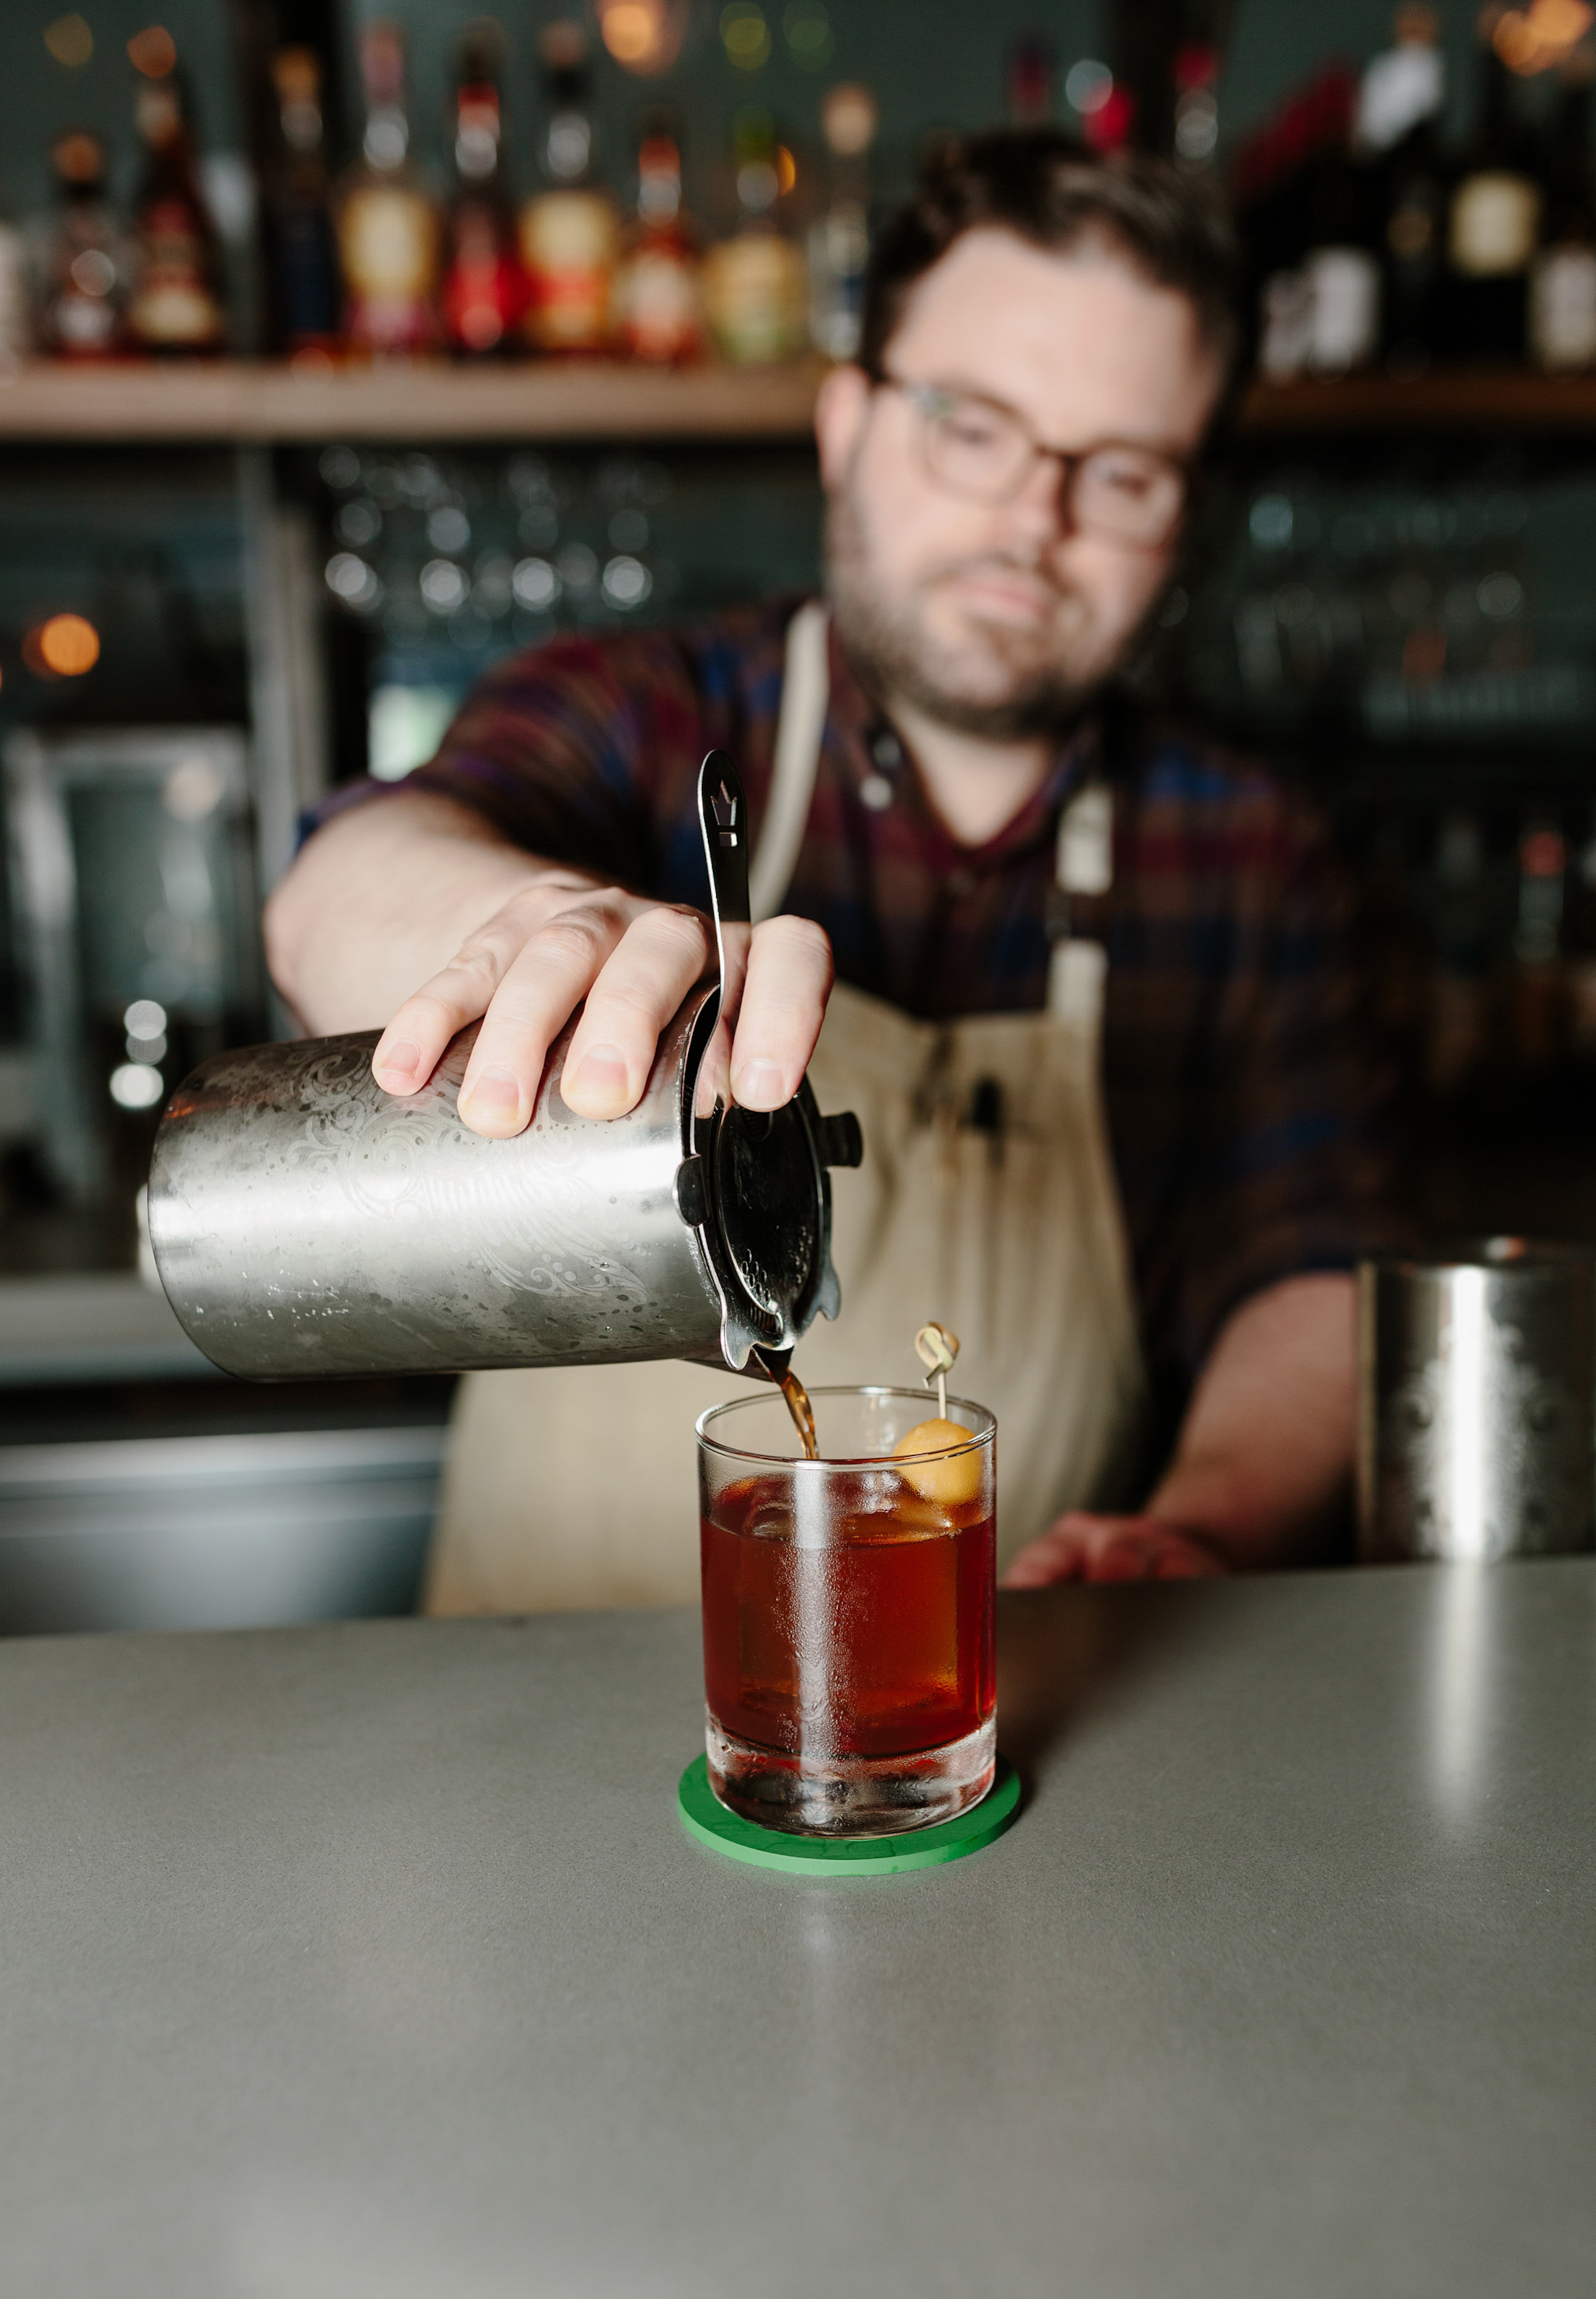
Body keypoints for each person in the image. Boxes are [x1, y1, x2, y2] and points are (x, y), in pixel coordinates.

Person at [267, 130, 1397, 1609]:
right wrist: (526, 925)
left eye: (1118, 471)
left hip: (1009, 1723)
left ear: (1180, 514)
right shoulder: (647, 719)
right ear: (848, 424)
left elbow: (1309, 1271)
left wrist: (1201, 1530)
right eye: (971, 426)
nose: (1032, 520)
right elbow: (345, 881)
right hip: (516, 1735)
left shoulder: (1248, 857)